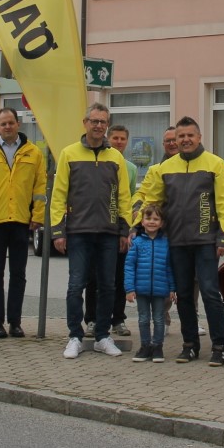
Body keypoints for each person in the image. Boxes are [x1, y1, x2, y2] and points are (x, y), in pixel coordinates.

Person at [133, 116, 224, 367]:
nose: (185, 140)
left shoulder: (215, 164)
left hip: (206, 241)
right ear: (175, 140)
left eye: (190, 135)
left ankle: (220, 346)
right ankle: (190, 345)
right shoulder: (163, 169)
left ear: (199, 137)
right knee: (184, 295)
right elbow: (153, 202)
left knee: (210, 293)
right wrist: (136, 225)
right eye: (181, 136)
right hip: (176, 242)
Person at [50, 102, 132, 359]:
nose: (98, 126)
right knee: (76, 285)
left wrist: (123, 230)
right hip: (78, 232)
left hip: (108, 233)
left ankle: (102, 336)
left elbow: (124, 197)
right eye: (94, 121)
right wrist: (57, 231)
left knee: (107, 286)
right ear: (85, 123)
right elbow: (59, 193)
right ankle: (75, 335)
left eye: (103, 122)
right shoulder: (69, 154)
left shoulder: (115, 157)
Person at [0, 107, 47, 339]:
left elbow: (40, 188)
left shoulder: (34, 153)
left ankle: (15, 322)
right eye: (3, 123)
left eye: (11, 122)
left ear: (18, 124)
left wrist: (38, 216)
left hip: (22, 221)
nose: (7, 127)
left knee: (18, 274)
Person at [99, 123, 140, 337]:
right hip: (100, 225)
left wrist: (127, 228)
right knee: (96, 277)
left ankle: (118, 319)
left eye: (123, 139)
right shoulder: (100, 160)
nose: (119, 142)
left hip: (119, 228)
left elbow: (129, 199)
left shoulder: (131, 168)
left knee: (119, 276)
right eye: (115, 138)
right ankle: (93, 319)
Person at [125, 206, 175, 362]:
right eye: (148, 218)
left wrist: (172, 288)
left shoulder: (166, 243)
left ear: (161, 223)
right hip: (141, 289)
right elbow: (129, 266)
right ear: (142, 221)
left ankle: (157, 347)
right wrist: (129, 288)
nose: (152, 222)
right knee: (143, 319)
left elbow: (169, 267)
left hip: (161, 290)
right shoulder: (137, 242)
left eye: (156, 219)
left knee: (159, 319)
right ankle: (145, 347)